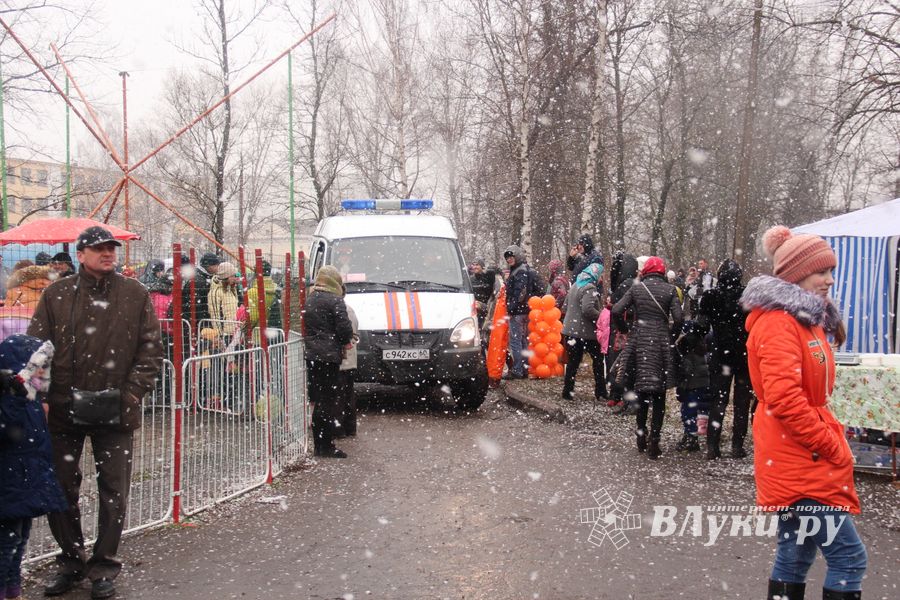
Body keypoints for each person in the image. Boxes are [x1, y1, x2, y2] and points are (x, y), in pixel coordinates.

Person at [27, 226, 163, 599]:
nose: (108, 254)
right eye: (99, 248)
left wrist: (130, 394)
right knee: (61, 489)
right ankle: (71, 560)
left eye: (111, 248)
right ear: (81, 253)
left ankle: (104, 566)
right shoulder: (57, 295)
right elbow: (38, 349)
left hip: (117, 411)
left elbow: (151, 350)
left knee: (113, 491)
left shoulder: (133, 294)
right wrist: (42, 396)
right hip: (63, 410)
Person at [741, 225, 866, 600]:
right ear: (796, 274)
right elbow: (785, 399)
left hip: (798, 456)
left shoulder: (805, 320)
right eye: (821, 272)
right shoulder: (780, 323)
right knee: (848, 558)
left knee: (796, 553)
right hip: (799, 458)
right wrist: (830, 443)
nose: (829, 280)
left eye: (831, 272)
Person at [0, 334, 68, 600]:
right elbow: (5, 431)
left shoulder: (32, 400)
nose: (41, 373)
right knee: (6, 542)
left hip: (24, 482)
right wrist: (14, 395)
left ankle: (13, 588)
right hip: (10, 484)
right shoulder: (11, 400)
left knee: (19, 540)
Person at [611, 256, 683, 459]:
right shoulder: (670, 290)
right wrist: (671, 336)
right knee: (659, 394)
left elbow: (616, 310)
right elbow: (678, 319)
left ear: (646, 271)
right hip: (661, 343)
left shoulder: (636, 288)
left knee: (641, 390)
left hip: (639, 342)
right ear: (662, 272)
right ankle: (655, 440)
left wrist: (625, 330)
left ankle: (641, 435)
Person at [697, 259, 754, 460]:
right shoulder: (748, 296)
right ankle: (737, 446)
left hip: (720, 354)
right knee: (742, 402)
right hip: (744, 355)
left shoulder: (710, 296)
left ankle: (712, 447)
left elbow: (701, 326)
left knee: (718, 400)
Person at [304, 266, 354, 458]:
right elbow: (344, 326)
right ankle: (327, 445)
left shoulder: (311, 298)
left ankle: (319, 444)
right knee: (329, 401)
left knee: (318, 401)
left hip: (312, 356)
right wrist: (346, 340)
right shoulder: (335, 300)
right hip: (329, 356)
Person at [561, 263, 605, 401]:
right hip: (586, 333)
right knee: (598, 361)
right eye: (601, 275)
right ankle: (601, 391)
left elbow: (565, 306)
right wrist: (602, 316)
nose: (601, 278)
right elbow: (588, 310)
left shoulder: (575, 285)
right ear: (596, 274)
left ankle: (567, 391)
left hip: (570, 331)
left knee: (573, 363)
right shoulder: (589, 287)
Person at [503, 245, 544, 379]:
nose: (509, 259)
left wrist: (511, 308)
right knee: (522, 340)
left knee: (515, 341)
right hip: (525, 310)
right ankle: (525, 368)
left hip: (518, 312)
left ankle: (518, 370)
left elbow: (520, 292)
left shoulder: (520, 271)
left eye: (511, 256)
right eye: (507, 257)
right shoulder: (523, 269)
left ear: (518, 256)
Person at [607, 251, 638, 412]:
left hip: (620, 328)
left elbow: (614, 305)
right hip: (629, 327)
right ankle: (624, 396)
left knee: (617, 360)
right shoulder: (635, 284)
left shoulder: (621, 285)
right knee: (627, 363)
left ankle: (615, 395)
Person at [674, 321, 710, 452]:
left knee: (688, 411)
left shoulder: (688, 346)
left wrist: (681, 382)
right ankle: (690, 435)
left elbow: (686, 369)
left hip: (692, 383)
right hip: (701, 382)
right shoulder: (700, 344)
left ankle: (691, 437)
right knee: (694, 410)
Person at [338, 303, 360, 437]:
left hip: (345, 360)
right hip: (347, 360)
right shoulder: (347, 309)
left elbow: (350, 333)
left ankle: (342, 428)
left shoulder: (344, 309)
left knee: (342, 394)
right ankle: (349, 428)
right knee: (347, 394)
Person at [180, 252, 219, 326]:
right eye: (216, 265)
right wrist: (202, 325)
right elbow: (197, 306)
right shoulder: (199, 281)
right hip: (196, 323)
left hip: (198, 321)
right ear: (209, 266)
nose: (218, 267)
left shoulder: (203, 278)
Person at [208, 261, 240, 340]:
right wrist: (219, 336)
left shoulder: (231, 289)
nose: (235, 277)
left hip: (234, 331)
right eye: (232, 276)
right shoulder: (216, 292)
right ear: (226, 277)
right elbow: (215, 316)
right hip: (225, 334)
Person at [247, 259, 278, 334]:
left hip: (257, 334)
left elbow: (252, 318)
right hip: (274, 333)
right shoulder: (276, 289)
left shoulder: (252, 292)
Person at [469, 258, 497, 329]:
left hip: (488, 308)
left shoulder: (488, 277)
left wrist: (486, 306)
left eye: (477, 265)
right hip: (476, 309)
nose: (475, 267)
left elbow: (493, 272)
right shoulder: (471, 279)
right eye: (473, 265)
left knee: (487, 329)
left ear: (482, 266)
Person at [595, 298, 612, 405]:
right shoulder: (604, 312)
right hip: (605, 344)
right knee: (609, 368)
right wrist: (600, 337)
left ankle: (615, 393)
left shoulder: (614, 312)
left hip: (612, 344)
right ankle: (611, 393)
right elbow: (599, 326)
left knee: (613, 369)